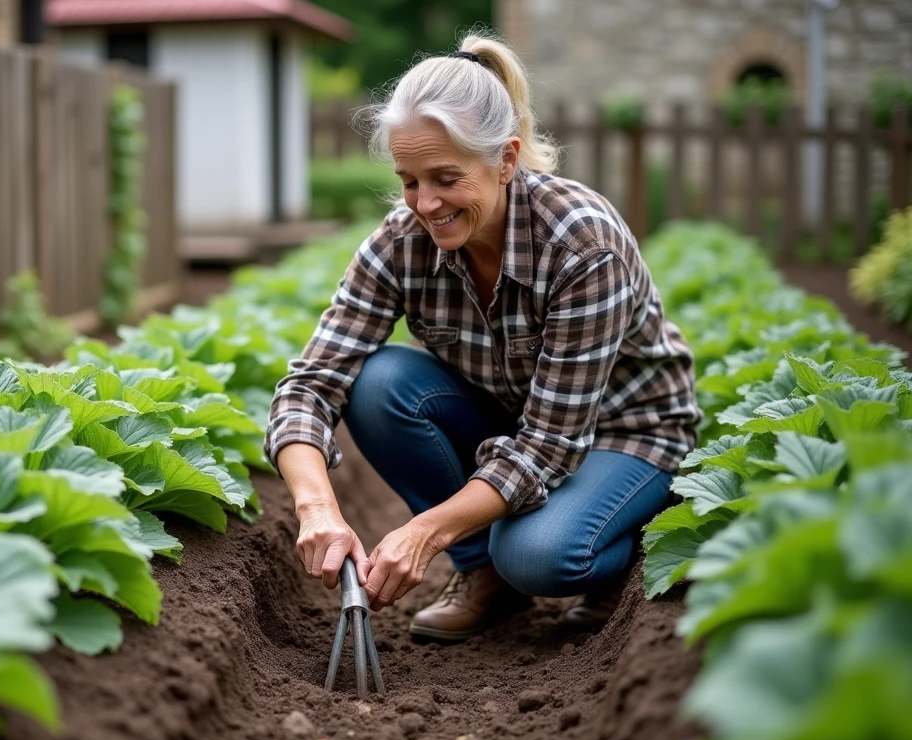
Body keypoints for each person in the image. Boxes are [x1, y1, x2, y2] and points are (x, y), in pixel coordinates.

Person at [264, 29, 700, 642]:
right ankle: (483, 576)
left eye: (446, 178)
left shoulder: (582, 246)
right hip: (513, 419)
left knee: (539, 557)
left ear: (505, 159)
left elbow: (549, 446)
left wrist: (424, 532)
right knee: (379, 383)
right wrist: (318, 509)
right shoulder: (400, 243)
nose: (425, 203)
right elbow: (308, 387)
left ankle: (624, 553)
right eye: (409, 180)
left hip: (623, 433)